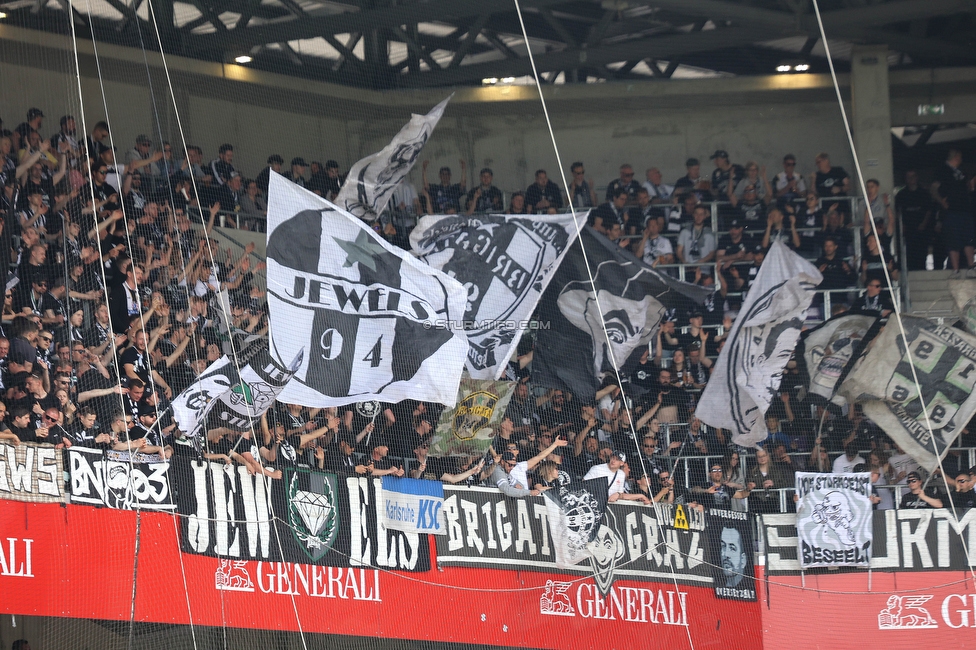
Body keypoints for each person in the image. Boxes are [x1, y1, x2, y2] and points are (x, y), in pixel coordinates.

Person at [931, 149, 974, 278]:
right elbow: (933, 188)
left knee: (969, 238)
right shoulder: (943, 170)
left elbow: (969, 187)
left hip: (965, 210)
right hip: (952, 211)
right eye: (960, 157)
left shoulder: (961, 171)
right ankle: (955, 270)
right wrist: (941, 201)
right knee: (953, 240)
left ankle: (971, 267)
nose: (961, 160)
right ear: (956, 157)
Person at [584, 451, 651, 504]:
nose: (613, 461)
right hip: (592, 502)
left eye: (617, 460)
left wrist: (618, 494)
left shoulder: (621, 474)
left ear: (622, 463)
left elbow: (621, 495)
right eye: (613, 458)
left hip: (610, 506)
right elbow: (583, 485)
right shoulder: (596, 468)